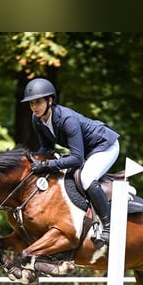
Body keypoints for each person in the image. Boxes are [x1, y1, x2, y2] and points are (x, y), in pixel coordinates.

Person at [20, 77, 120, 248]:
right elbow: (46, 147)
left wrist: (46, 165)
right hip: (86, 150)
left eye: (38, 102)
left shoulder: (67, 119)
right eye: (31, 103)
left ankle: (109, 227)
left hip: (105, 145)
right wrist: (34, 163)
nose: (34, 107)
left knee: (87, 177)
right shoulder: (37, 120)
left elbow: (76, 159)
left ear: (50, 100)